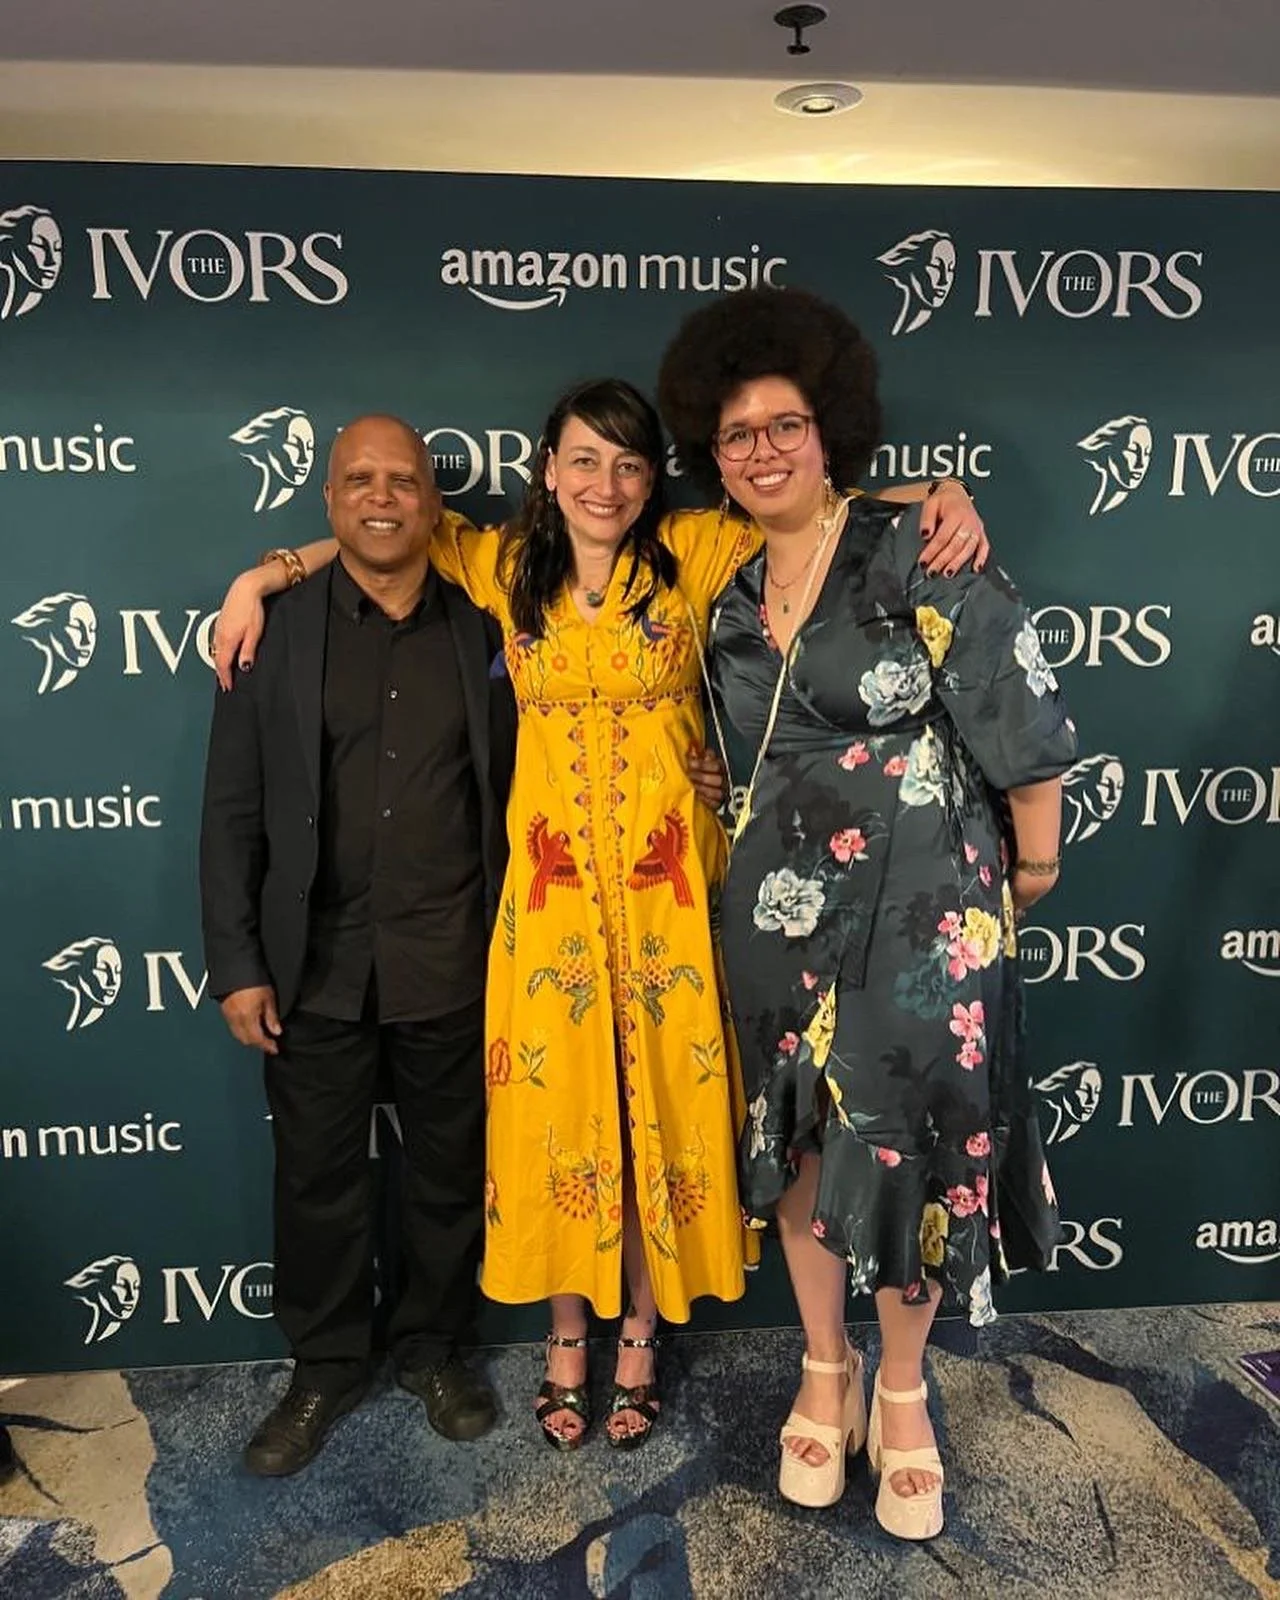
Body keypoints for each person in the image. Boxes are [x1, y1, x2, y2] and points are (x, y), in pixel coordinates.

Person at [212, 382, 984, 1453]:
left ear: (646, 477)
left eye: (624, 464)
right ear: (546, 471)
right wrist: (267, 573)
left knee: (650, 1114)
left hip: (668, 902)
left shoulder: (692, 550)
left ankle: (634, 1335)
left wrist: (937, 494)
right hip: (548, 910)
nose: (603, 484)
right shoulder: (495, 562)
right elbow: (377, 529)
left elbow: (813, 507)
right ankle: (561, 1335)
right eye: (582, 461)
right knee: (555, 1121)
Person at [657, 286, 1075, 1537]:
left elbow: (1014, 703)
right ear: (710, 452)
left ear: (829, 428)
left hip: (922, 901)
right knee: (799, 1146)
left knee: (905, 1150)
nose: (762, 452)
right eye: (735, 435)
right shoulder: (722, 594)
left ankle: (900, 1392)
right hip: (775, 907)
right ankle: (820, 1366)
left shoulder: (913, 548)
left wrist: (1033, 866)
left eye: (783, 425)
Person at [200, 414, 516, 1476]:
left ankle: (434, 1348)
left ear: (434, 503)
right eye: (358, 480)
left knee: (444, 1171)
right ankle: (325, 1365)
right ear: (329, 500)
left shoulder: (485, 619)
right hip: (313, 963)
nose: (381, 497)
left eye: (403, 481)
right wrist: (237, 961)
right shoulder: (273, 631)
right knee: (318, 1177)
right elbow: (231, 808)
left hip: (454, 958)